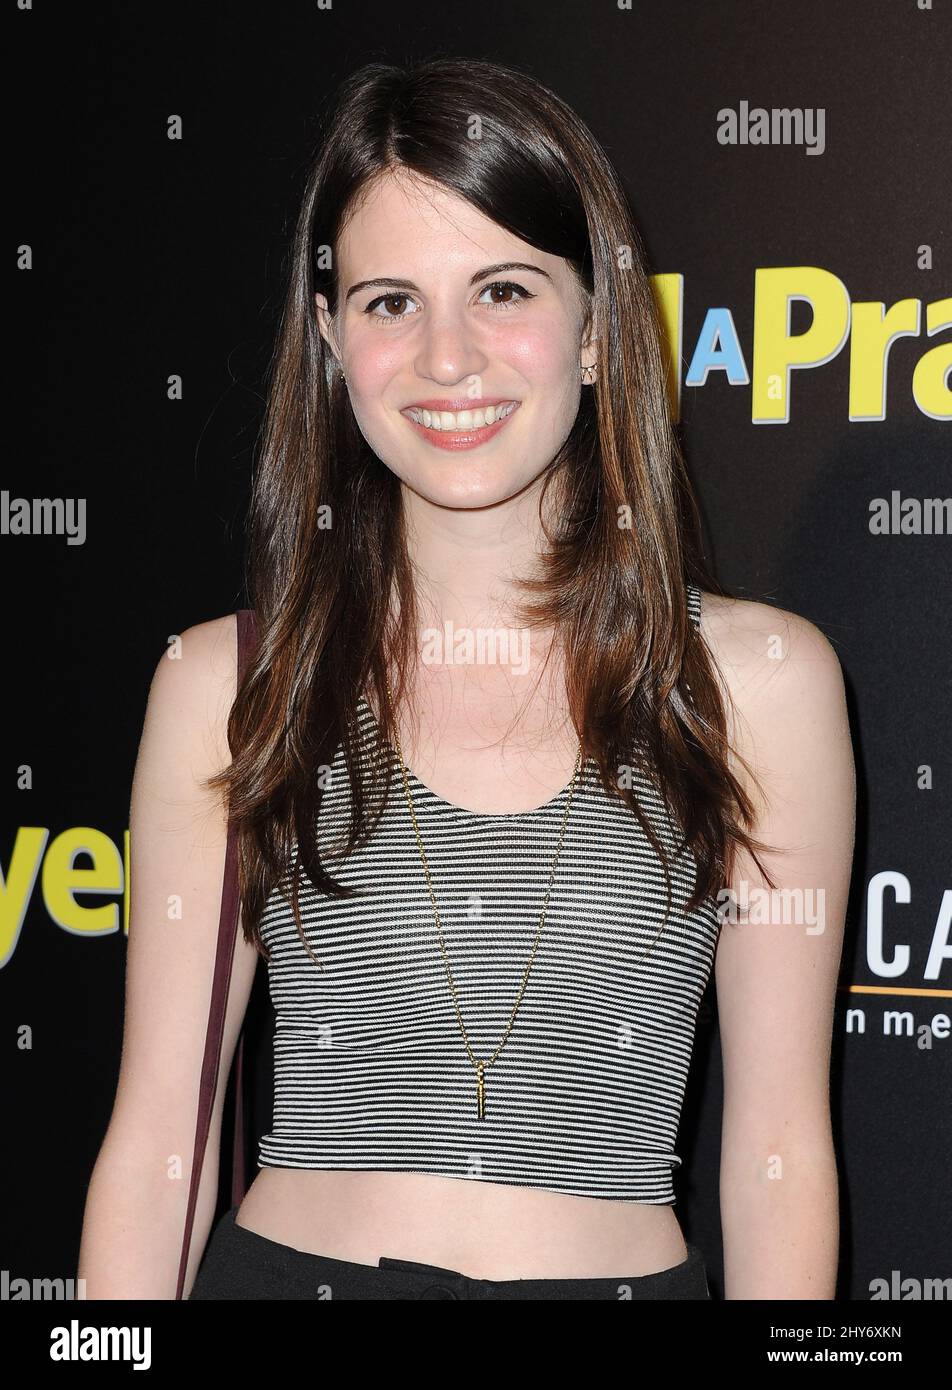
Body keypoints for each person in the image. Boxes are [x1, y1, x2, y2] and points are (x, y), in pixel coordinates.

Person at [77, 57, 855, 1301]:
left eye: (502, 289)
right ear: (332, 340)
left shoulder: (757, 681)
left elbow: (775, 1151)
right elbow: (159, 1142)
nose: (448, 358)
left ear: (598, 327)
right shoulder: (228, 678)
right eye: (390, 303)